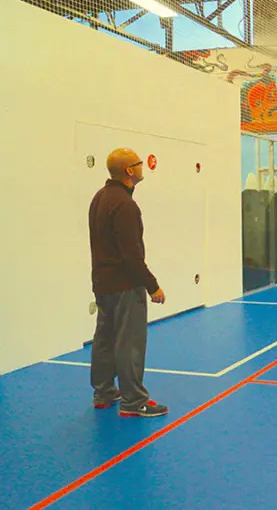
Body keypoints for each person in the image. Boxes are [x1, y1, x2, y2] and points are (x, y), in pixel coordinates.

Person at [88, 147, 168, 417]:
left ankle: (104, 392)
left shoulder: (100, 198)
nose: (143, 166)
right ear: (129, 171)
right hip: (124, 285)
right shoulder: (125, 205)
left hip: (102, 283)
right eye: (139, 163)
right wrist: (152, 285)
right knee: (129, 342)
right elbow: (131, 255)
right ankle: (134, 402)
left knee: (105, 339)